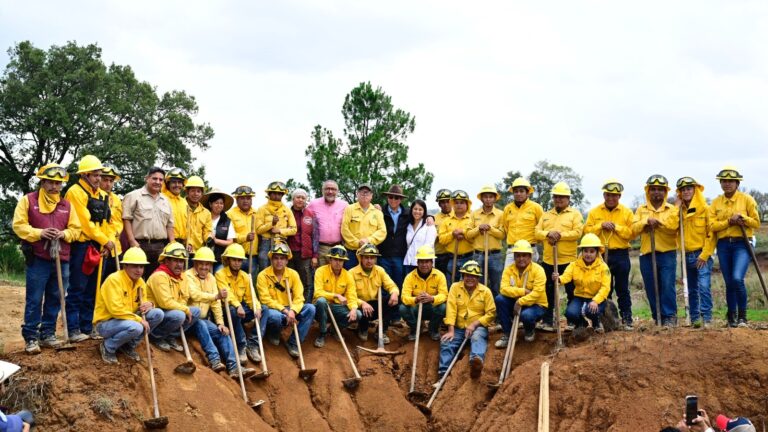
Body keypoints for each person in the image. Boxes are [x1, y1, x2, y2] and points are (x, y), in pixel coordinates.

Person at [12, 163, 81, 354]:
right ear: (42, 181)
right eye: (50, 182)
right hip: (38, 258)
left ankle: (48, 333)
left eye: (58, 183)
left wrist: (64, 234)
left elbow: (76, 230)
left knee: (56, 296)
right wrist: (40, 232)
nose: (55, 186)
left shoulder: (67, 205)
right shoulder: (28, 201)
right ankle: (31, 336)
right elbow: (18, 226)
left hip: (62, 257)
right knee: (34, 298)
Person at [64, 154, 113, 342]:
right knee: (77, 287)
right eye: (94, 175)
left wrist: (107, 243)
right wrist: (104, 240)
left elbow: (106, 222)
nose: (98, 178)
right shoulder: (75, 192)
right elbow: (84, 223)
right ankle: (73, 328)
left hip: (99, 247)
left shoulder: (102, 195)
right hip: (81, 246)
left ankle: (87, 326)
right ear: (84, 175)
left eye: (99, 174)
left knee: (93, 289)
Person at [186, 247, 256, 378]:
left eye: (207, 264)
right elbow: (195, 295)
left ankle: (234, 367)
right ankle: (214, 360)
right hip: (188, 320)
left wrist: (220, 323)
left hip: (204, 320)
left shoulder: (211, 278)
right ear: (195, 263)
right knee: (200, 324)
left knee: (223, 332)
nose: (204, 267)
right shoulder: (187, 276)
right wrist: (215, 296)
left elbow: (216, 303)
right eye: (201, 263)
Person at [708, 166, 760, 327]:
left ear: (737, 183)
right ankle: (731, 317)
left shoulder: (747, 199)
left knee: (737, 278)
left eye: (731, 181)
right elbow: (711, 225)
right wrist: (728, 222)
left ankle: (742, 317)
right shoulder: (716, 202)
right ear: (721, 183)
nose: (727, 184)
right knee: (729, 281)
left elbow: (756, 222)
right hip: (723, 245)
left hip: (742, 244)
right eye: (724, 181)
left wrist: (742, 218)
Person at [93, 247, 162, 364]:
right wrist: (139, 319)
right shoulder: (114, 280)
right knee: (137, 327)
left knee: (157, 314)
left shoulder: (140, 282)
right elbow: (116, 310)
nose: (139, 270)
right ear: (125, 266)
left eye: (141, 266)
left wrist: (150, 305)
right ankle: (108, 347)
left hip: (127, 320)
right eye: (135, 266)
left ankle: (128, 345)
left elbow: (143, 305)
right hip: (106, 323)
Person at [583, 179, 635, 329]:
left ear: (619, 196)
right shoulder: (595, 212)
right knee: (604, 288)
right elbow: (586, 231)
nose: (611, 198)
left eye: (614, 195)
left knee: (622, 288)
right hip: (600, 255)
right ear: (604, 195)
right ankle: (605, 321)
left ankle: (627, 319)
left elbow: (631, 233)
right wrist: (600, 226)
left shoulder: (626, 212)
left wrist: (616, 227)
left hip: (621, 255)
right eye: (608, 195)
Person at [631, 175, 679, 327]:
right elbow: (633, 228)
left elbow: (674, 226)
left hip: (667, 253)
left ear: (665, 192)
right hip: (647, 254)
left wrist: (659, 223)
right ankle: (657, 317)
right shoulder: (641, 209)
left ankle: (670, 317)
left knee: (667, 285)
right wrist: (646, 222)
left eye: (660, 189)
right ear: (648, 191)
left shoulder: (672, 209)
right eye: (653, 189)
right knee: (651, 287)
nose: (656, 192)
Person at [535, 182, 584, 331]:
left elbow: (577, 233)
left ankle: (571, 321)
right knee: (548, 292)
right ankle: (548, 321)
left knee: (571, 291)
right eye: (556, 197)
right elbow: (537, 232)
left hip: (569, 261)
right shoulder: (546, 215)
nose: (558, 200)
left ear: (568, 198)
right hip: (549, 260)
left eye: (562, 197)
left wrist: (560, 235)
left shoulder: (575, 214)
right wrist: (548, 234)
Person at [439, 260, 496, 380]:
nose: (470, 278)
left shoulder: (485, 291)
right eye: (467, 275)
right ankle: (443, 375)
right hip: (459, 328)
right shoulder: (455, 287)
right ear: (463, 276)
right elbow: (451, 309)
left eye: (473, 276)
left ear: (478, 278)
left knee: (477, 337)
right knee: (447, 342)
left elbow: (491, 313)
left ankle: (475, 363)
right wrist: (451, 329)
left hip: (478, 327)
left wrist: (475, 324)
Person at [257, 242, 316, 358]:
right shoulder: (262, 275)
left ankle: (293, 343)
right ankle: (274, 333)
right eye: (276, 258)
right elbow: (265, 299)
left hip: (290, 309)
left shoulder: (293, 274)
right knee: (275, 317)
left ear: (287, 260)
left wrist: (293, 311)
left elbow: (299, 297)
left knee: (311, 308)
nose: (279, 261)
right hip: (275, 310)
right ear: (271, 259)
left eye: (282, 258)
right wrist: (285, 310)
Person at [675, 177, 715, 328]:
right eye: (683, 190)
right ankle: (694, 318)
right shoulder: (678, 210)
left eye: (689, 189)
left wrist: (705, 255)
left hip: (701, 255)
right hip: (686, 256)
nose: (686, 192)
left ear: (695, 190)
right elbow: (672, 226)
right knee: (691, 289)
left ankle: (707, 318)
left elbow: (711, 234)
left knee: (704, 286)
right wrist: (675, 208)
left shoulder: (705, 209)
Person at [145, 243, 200, 352]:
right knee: (179, 315)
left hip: (172, 309)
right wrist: (184, 309)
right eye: (175, 260)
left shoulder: (182, 275)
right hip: (156, 311)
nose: (179, 265)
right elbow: (165, 302)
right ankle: (156, 337)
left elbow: (185, 296)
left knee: (196, 312)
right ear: (166, 261)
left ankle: (169, 336)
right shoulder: (159, 276)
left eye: (181, 261)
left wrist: (183, 307)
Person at [215, 243, 264, 364]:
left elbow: (250, 296)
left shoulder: (245, 276)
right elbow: (227, 295)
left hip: (241, 311)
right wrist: (238, 305)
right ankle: (241, 345)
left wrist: (256, 308)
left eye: (239, 260)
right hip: (227, 311)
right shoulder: (220, 274)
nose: (237, 262)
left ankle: (253, 344)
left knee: (265, 309)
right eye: (234, 260)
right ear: (228, 260)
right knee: (232, 309)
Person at [122, 166, 174, 277]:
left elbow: (170, 225)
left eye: (161, 180)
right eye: (154, 179)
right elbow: (126, 219)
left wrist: (172, 245)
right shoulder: (133, 196)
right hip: (139, 245)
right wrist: (132, 241)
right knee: (136, 278)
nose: (158, 182)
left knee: (157, 279)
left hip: (160, 247)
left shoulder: (166, 201)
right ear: (147, 178)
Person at [553, 234, 611, 334]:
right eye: (586, 251)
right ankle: (581, 324)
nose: (588, 254)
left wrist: (596, 301)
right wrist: (558, 279)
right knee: (570, 313)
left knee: (591, 311)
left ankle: (597, 323)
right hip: (579, 297)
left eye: (592, 251)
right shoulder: (574, 265)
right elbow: (566, 277)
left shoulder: (603, 267)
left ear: (597, 253)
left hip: (596, 298)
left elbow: (605, 287)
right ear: (582, 251)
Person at [494, 240, 547, 345]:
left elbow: (537, 293)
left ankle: (529, 329)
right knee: (500, 299)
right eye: (518, 256)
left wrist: (520, 302)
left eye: (524, 255)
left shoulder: (538, 270)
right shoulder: (509, 270)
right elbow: (503, 289)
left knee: (526, 315)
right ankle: (508, 334)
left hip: (536, 305)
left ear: (530, 256)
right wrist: (522, 291)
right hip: (515, 302)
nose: (521, 258)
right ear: (514, 256)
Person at [350, 243, 400, 343]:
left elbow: (392, 286)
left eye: (372, 258)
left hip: (375, 306)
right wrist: (362, 303)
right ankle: (362, 328)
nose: (369, 261)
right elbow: (349, 295)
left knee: (395, 300)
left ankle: (381, 331)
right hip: (360, 306)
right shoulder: (351, 273)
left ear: (376, 259)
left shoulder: (380, 270)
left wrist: (394, 293)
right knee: (361, 311)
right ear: (361, 258)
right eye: (366, 258)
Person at [312, 245, 360, 347]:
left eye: (341, 260)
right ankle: (322, 333)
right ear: (330, 259)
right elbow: (317, 292)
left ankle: (334, 330)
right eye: (335, 259)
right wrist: (336, 295)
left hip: (337, 308)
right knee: (321, 301)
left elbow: (351, 295)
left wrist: (353, 309)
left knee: (358, 314)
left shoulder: (348, 275)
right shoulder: (320, 271)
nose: (338, 262)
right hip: (321, 308)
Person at [399, 246, 447, 341]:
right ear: (417, 263)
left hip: (432, 307)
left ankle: (433, 329)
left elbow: (444, 295)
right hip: (416, 308)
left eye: (427, 262)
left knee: (443, 307)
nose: (424, 265)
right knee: (403, 308)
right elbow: (404, 297)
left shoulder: (440, 276)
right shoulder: (410, 277)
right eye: (421, 262)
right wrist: (415, 299)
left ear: (432, 262)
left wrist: (432, 298)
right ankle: (415, 329)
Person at [467, 185, 505, 296]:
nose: (488, 199)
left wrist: (490, 228)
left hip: (495, 255)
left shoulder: (501, 214)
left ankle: (496, 311)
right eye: (486, 197)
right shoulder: (474, 214)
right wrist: (478, 229)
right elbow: (468, 235)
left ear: (494, 199)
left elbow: (502, 235)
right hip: (478, 255)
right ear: (482, 199)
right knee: (478, 285)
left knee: (496, 285)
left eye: (490, 197)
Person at [341, 184, 386, 269]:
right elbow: (344, 229)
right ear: (357, 194)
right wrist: (357, 243)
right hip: (352, 252)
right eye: (362, 192)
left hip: (370, 253)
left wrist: (368, 241)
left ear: (371, 196)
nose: (365, 194)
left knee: (369, 278)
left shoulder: (377, 212)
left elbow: (382, 231)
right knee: (350, 278)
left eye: (367, 193)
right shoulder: (349, 209)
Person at [502, 177, 544, 267]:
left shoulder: (536, 207)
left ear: (528, 193)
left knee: (529, 279)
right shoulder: (507, 208)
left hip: (529, 250)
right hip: (512, 250)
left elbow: (542, 227)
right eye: (516, 191)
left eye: (521, 191)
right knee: (509, 279)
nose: (518, 194)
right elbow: (506, 228)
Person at [255, 181, 297, 270]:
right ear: (269, 194)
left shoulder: (287, 210)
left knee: (281, 264)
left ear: (282, 195)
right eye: (274, 193)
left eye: (279, 194)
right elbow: (258, 229)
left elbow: (294, 229)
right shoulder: (262, 209)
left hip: (281, 241)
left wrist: (279, 231)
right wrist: (271, 225)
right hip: (266, 241)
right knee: (263, 258)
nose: (277, 196)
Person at [437, 190, 476, 282]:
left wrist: (464, 234)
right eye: (456, 203)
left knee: (468, 284)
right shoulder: (446, 221)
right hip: (452, 258)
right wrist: (453, 234)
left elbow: (476, 239)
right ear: (453, 204)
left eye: (462, 203)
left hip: (469, 258)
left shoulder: (472, 219)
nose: (459, 205)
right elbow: (441, 240)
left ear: (467, 204)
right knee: (450, 285)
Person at [307, 180, 348, 266]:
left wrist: (375, 208)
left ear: (337, 191)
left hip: (338, 247)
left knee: (337, 275)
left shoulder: (344, 205)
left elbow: (356, 212)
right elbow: (303, 216)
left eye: (333, 189)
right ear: (322, 191)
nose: (330, 191)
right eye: (327, 189)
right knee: (321, 275)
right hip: (320, 248)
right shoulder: (313, 204)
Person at [287, 188, 318, 301]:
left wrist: (315, 256)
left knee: (307, 281)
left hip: (305, 253)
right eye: (298, 197)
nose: (300, 200)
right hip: (289, 253)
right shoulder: (286, 212)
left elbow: (315, 236)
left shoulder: (310, 214)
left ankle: (306, 307)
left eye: (303, 198)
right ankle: (292, 305)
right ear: (293, 199)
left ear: (306, 200)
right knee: (291, 281)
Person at [379, 185, 410, 290]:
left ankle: (398, 306)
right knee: (385, 285)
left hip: (400, 256)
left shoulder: (408, 213)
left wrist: (430, 217)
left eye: (396, 197)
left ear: (401, 199)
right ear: (387, 197)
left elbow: (421, 215)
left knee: (399, 283)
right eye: (390, 197)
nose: (393, 200)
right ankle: (384, 306)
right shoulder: (380, 212)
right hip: (383, 255)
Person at [201, 188, 235, 273]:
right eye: (216, 203)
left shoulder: (227, 221)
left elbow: (230, 241)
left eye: (221, 203)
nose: (219, 205)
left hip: (219, 259)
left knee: (219, 279)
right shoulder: (202, 217)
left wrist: (215, 240)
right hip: (203, 257)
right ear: (210, 204)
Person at [227, 185, 258, 275]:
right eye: (242, 198)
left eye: (248, 198)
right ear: (236, 200)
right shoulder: (230, 214)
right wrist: (245, 238)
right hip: (236, 257)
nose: (245, 201)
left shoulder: (257, 213)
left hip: (253, 257)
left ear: (251, 200)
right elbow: (230, 235)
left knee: (249, 283)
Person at [99, 164, 123, 279]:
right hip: (101, 247)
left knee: (114, 281)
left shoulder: (117, 199)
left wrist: (116, 233)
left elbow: (118, 222)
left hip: (116, 248)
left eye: (111, 180)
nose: (108, 184)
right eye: (105, 180)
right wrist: (107, 243)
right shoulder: (95, 196)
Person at [403, 199, 437, 275]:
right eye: (415, 209)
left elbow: (429, 245)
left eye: (420, 209)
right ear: (411, 210)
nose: (417, 212)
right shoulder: (408, 225)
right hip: (408, 262)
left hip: (423, 265)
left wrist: (422, 261)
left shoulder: (429, 225)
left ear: (424, 211)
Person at [184, 175, 212, 260]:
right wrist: (185, 242)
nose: (195, 194)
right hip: (182, 251)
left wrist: (209, 238)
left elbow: (207, 231)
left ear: (202, 193)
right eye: (192, 191)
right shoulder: (181, 207)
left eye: (198, 191)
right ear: (187, 192)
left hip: (198, 253)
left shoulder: (206, 212)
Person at [162, 167, 189, 247]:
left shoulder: (184, 202)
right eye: (174, 182)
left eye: (180, 182)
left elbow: (188, 225)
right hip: (166, 242)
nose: (177, 185)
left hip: (182, 243)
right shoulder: (162, 198)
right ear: (168, 184)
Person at [433, 188, 453, 275]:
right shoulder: (434, 218)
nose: (445, 204)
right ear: (439, 203)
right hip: (439, 255)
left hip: (452, 255)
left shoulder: (457, 217)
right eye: (442, 202)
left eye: (448, 201)